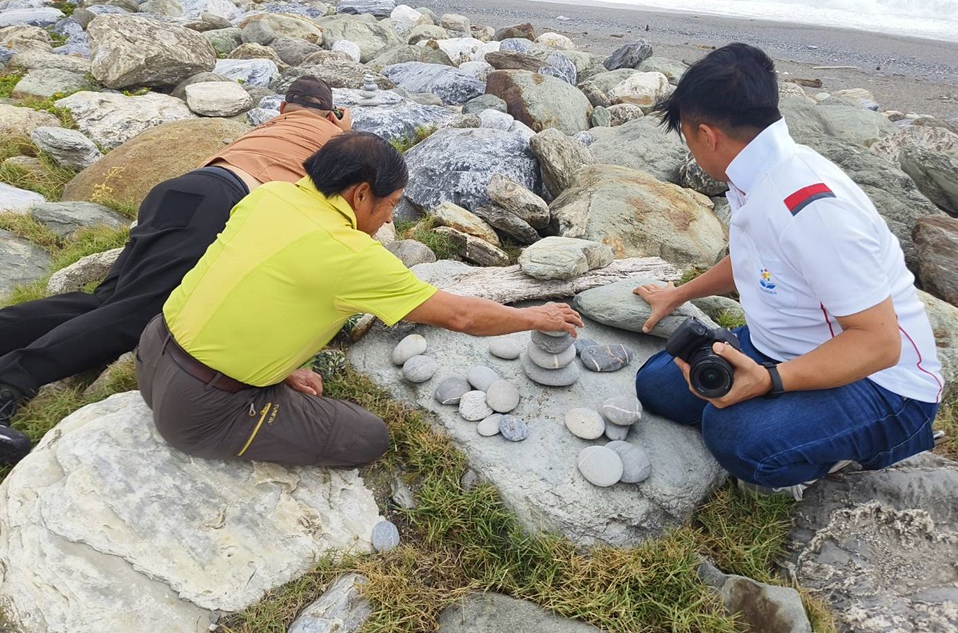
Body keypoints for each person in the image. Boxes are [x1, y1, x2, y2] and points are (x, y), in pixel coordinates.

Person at [135, 132, 583, 467]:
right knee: (365, 437)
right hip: (200, 411)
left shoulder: (268, 197)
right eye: (391, 204)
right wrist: (536, 317)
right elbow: (462, 316)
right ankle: (250, 399)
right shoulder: (351, 254)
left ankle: (259, 378)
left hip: (151, 352)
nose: (391, 216)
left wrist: (281, 368)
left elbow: (249, 282)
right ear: (361, 193)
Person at [633, 43, 942, 499]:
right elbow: (756, 258)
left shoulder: (814, 210)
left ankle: (873, 443)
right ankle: (785, 404)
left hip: (883, 385)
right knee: (658, 384)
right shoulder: (755, 170)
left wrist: (770, 381)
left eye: (686, 136)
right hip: (788, 346)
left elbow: (879, 343)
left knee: (735, 435)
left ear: (707, 135)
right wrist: (679, 294)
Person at [0, 76, 352, 463]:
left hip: (185, 189)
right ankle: (12, 381)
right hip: (225, 203)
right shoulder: (335, 141)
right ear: (331, 114)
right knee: (138, 315)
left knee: (109, 301)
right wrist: (341, 129)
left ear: (284, 108)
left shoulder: (271, 127)